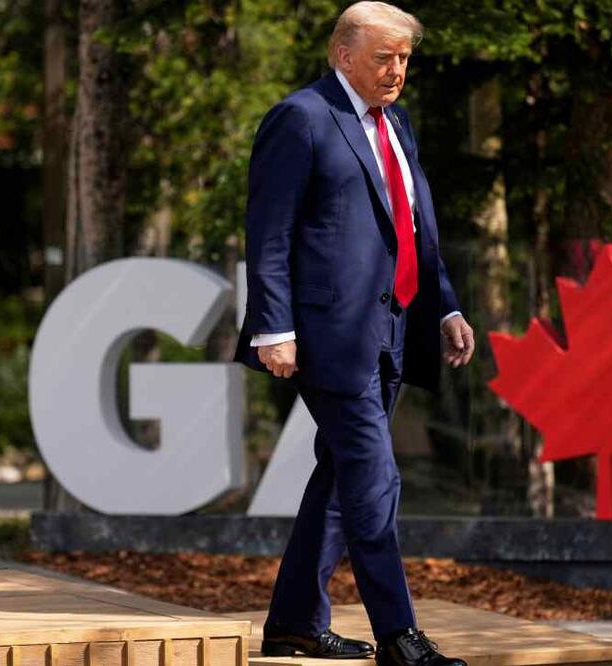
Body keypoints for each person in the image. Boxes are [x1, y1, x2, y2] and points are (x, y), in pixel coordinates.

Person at [233, 3, 475, 666]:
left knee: (342, 478)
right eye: (383, 58)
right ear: (345, 54)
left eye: (404, 59)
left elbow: (416, 229)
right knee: (375, 479)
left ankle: (293, 623)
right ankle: (400, 636)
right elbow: (270, 232)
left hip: (393, 331)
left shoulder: (396, 125)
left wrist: (446, 309)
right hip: (327, 338)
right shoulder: (302, 118)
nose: (397, 71)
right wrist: (272, 327)